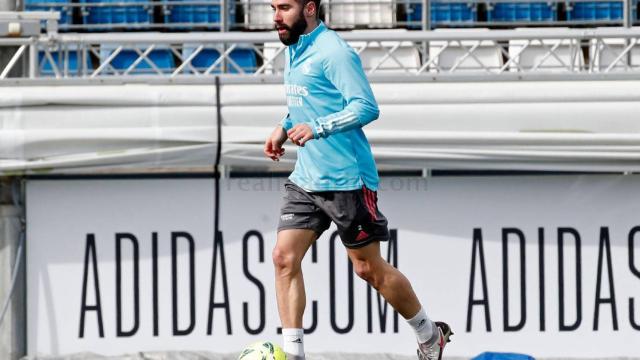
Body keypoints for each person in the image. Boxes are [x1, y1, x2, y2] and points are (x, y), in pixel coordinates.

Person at [263, 0, 453, 359]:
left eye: (284, 7)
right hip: (306, 177)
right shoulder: (294, 46)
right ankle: (293, 355)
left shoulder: (334, 52)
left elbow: (366, 106)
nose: (275, 16)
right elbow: (311, 100)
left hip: (348, 179)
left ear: (309, 8)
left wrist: (318, 128)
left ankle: (430, 334)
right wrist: (284, 127)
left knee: (368, 269)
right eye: (272, 7)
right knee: (283, 258)